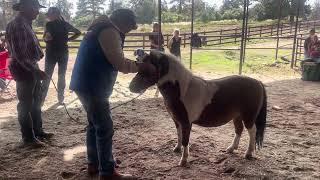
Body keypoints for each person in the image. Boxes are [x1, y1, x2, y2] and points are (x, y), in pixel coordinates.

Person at [70, 9, 156, 180]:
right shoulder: (109, 31)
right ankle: (107, 172)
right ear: (122, 22)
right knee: (104, 127)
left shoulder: (99, 27)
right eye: (129, 28)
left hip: (85, 82)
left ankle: (95, 163)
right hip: (93, 84)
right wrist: (142, 66)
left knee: (94, 126)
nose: (128, 31)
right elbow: (120, 63)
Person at [6, 0, 53, 148]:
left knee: (35, 101)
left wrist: (35, 67)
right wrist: (36, 70)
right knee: (26, 104)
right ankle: (28, 138)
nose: (37, 11)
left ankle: (37, 131)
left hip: (30, 66)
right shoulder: (18, 25)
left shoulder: (25, 23)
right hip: (24, 68)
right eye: (34, 8)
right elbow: (20, 54)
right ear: (24, 8)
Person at [41, 7, 81, 105]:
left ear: (56, 14)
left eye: (50, 15)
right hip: (63, 52)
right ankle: (60, 99)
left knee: (47, 75)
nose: (48, 17)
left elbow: (45, 38)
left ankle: (41, 100)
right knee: (61, 75)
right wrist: (68, 40)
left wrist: (47, 39)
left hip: (51, 53)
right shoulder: (65, 24)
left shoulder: (49, 24)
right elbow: (78, 32)